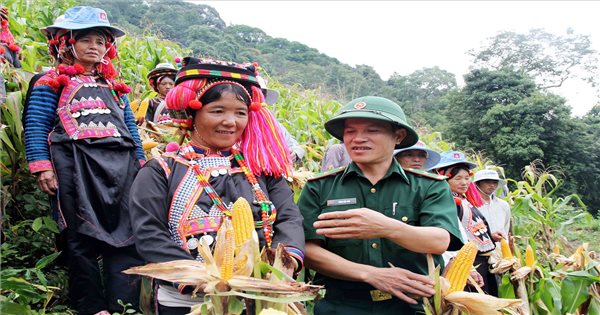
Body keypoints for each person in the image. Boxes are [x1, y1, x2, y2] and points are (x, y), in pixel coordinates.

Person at [128, 57, 305, 314]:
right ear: (192, 113)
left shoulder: (262, 170)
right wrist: (203, 279)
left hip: (257, 299)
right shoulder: (162, 170)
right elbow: (149, 233)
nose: (231, 122)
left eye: (240, 113)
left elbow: (289, 218)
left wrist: (282, 266)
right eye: (218, 111)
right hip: (187, 303)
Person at [23, 6, 145, 314]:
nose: (95, 46)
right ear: (67, 43)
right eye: (87, 39)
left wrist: (141, 162)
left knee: (127, 234)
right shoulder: (49, 81)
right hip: (74, 164)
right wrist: (42, 166)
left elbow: (130, 127)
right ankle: (90, 307)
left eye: (101, 41)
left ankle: (123, 305)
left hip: (122, 166)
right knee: (79, 236)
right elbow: (37, 124)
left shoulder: (114, 88)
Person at [298, 96, 463, 314]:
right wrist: (371, 274)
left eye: (372, 131)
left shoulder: (428, 187)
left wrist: (387, 227)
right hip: (340, 306)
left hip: (414, 307)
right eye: (350, 131)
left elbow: (440, 240)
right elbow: (308, 250)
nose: (358, 139)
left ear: (398, 135)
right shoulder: (319, 187)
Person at [430, 152, 498, 296]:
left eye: (467, 178)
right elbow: (449, 236)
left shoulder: (464, 201)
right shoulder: (446, 203)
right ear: (443, 178)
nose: (464, 182)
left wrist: (490, 237)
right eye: (458, 178)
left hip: (480, 263)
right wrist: (465, 267)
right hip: (468, 264)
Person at [256, 75, 305, 163]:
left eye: (263, 94)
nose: (260, 97)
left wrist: (294, 153)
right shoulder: (237, 123)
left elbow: (296, 147)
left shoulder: (273, 125)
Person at [473, 169, 511, 243]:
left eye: (494, 182)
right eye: (487, 182)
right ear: (477, 183)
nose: (492, 185)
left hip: (501, 249)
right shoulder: (470, 205)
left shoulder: (503, 205)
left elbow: (506, 229)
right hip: (478, 249)